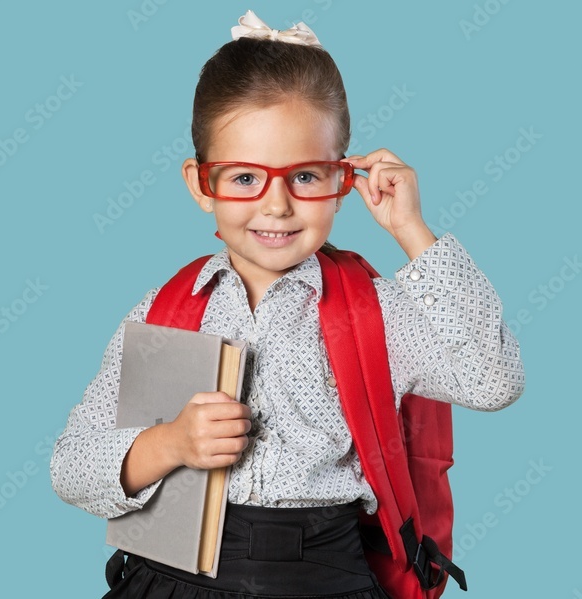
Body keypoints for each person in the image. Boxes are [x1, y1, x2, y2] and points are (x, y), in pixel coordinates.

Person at [49, 9, 526, 598]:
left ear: (344, 179)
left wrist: (410, 231)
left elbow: (494, 379)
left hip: (323, 578)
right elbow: (71, 468)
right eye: (245, 178)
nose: (276, 206)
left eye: (304, 176)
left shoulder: (372, 309)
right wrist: (169, 443)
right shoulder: (166, 308)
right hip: (170, 579)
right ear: (201, 185)